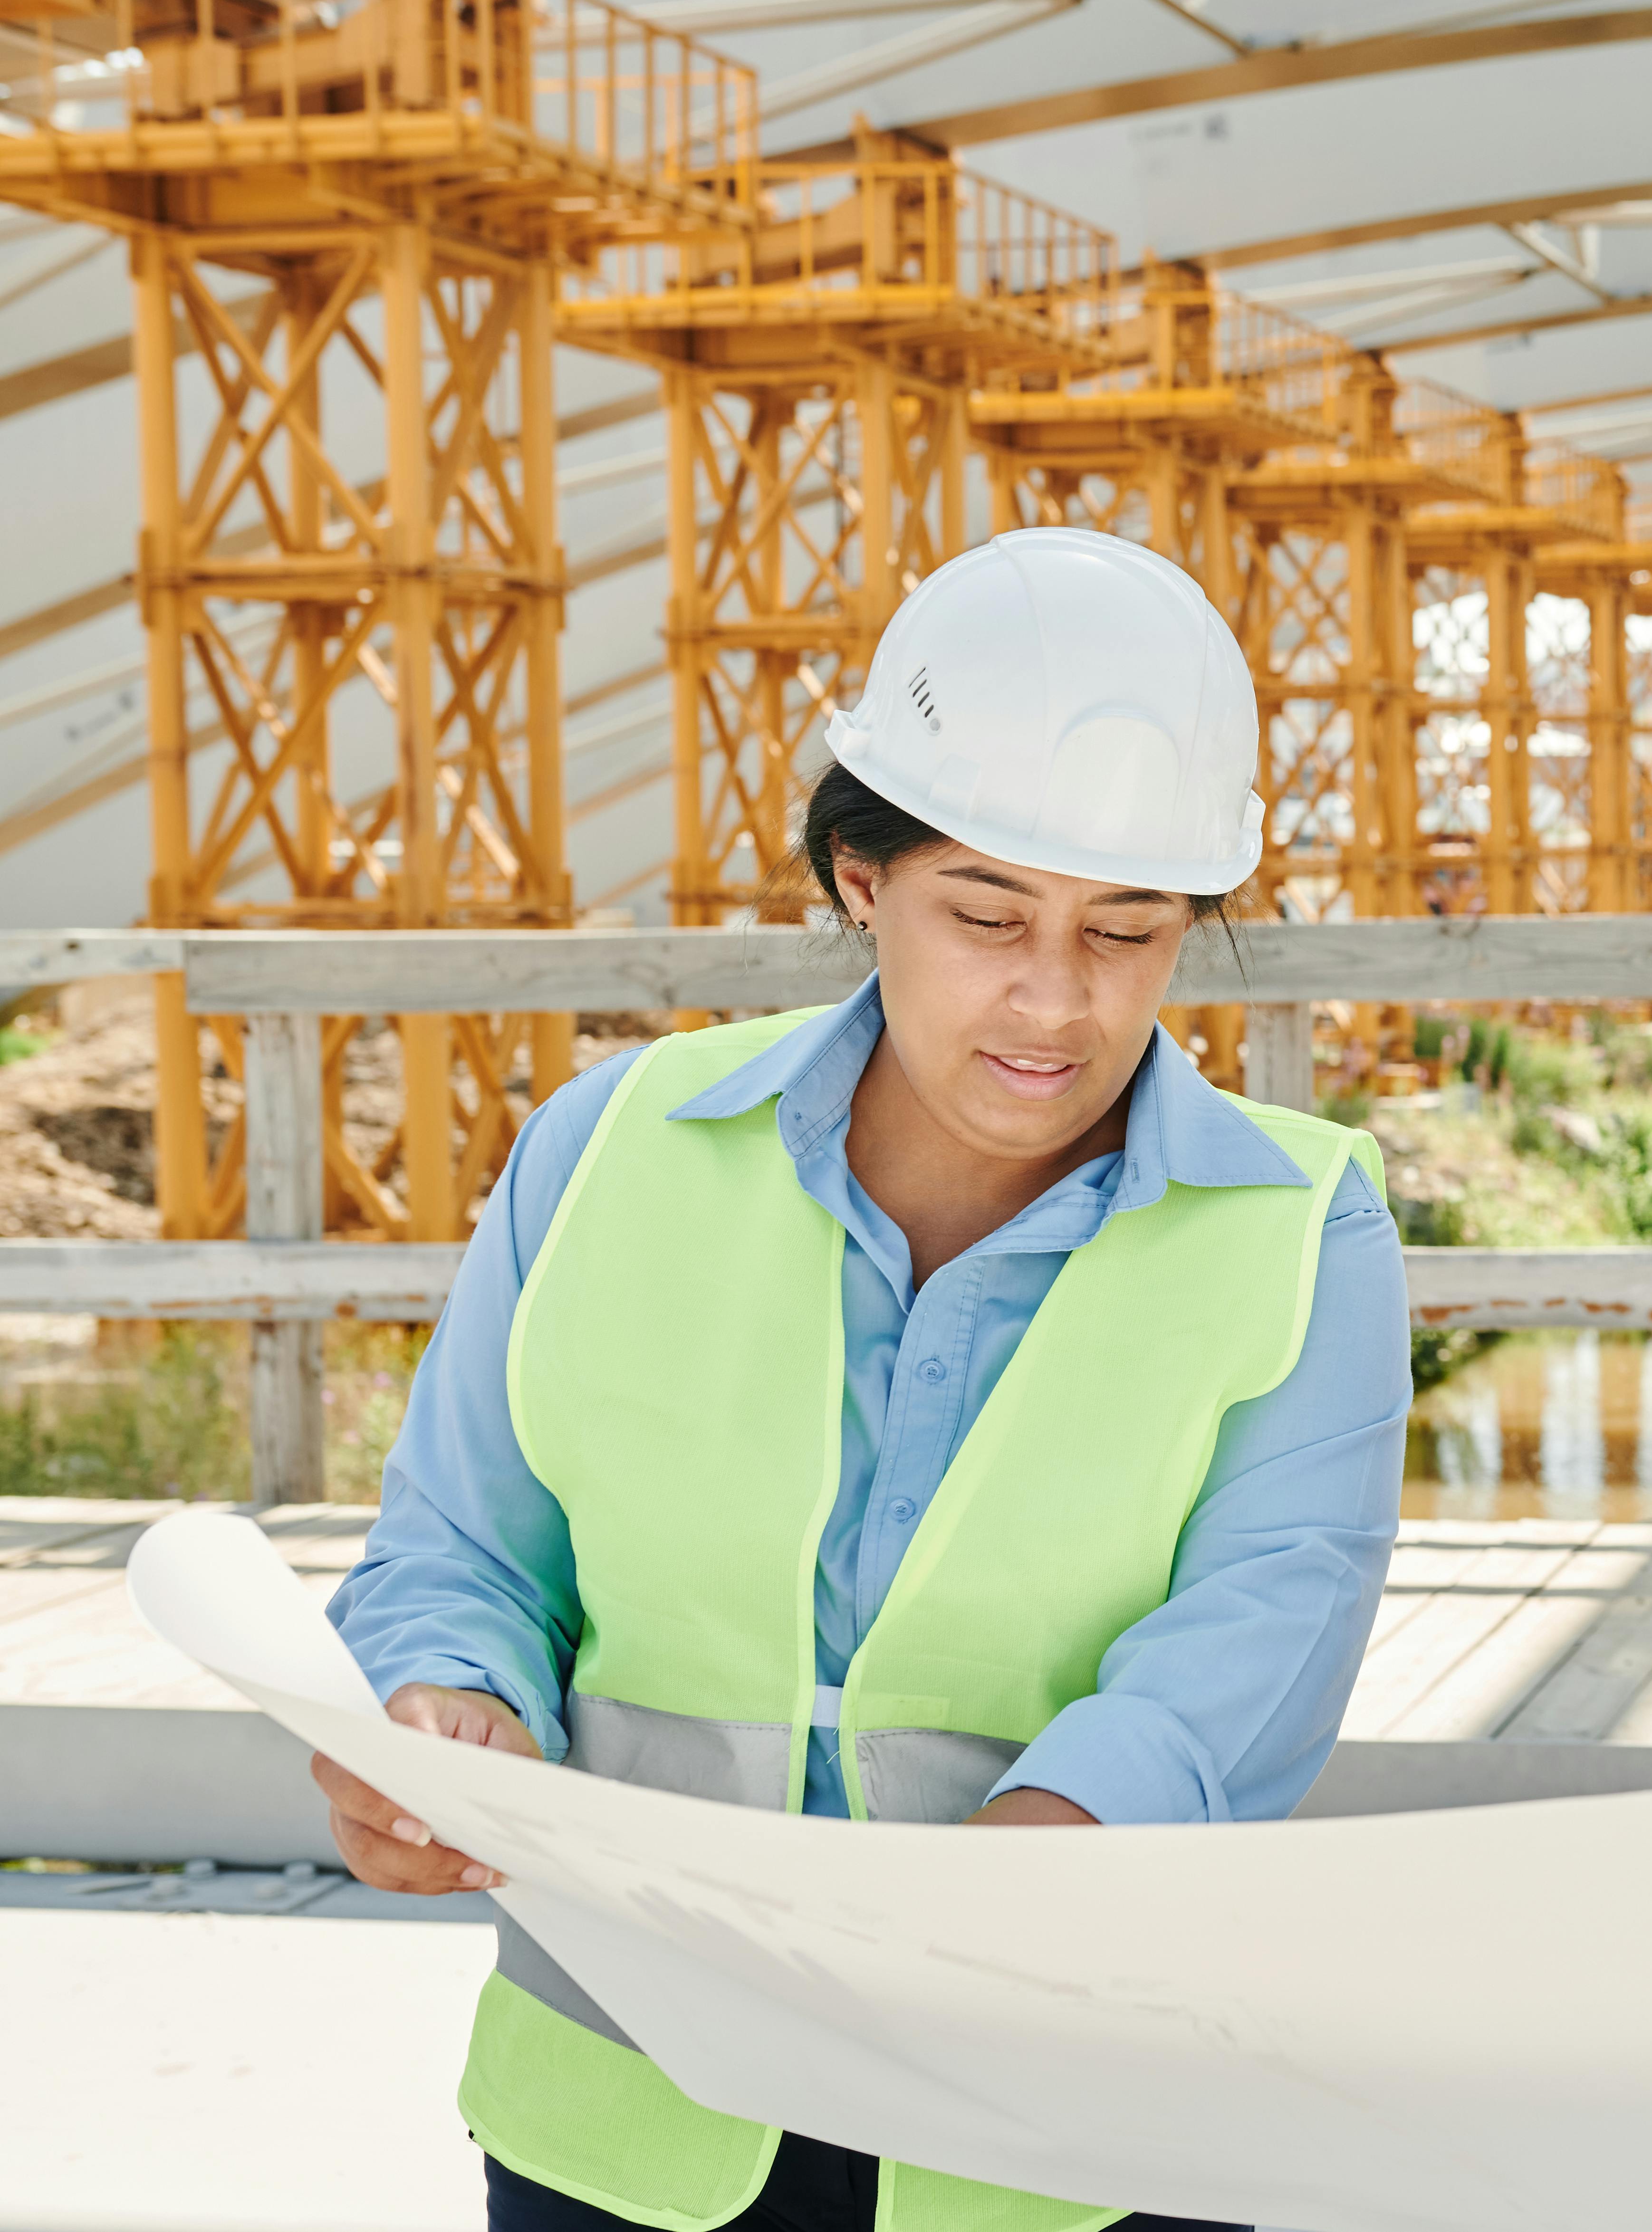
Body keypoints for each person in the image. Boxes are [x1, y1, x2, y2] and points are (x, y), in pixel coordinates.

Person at [317, 528, 1412, 2232]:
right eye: (987, 915)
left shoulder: (1300, 1226)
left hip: (1077, 2131)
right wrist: (442, 1708)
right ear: (858, 879)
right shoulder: (605, 1153)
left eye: (1128, 933)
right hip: (629, 2099)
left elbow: (1265, 1632)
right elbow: (462, 1542)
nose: (1056, 1000)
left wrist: (1048, 1840)